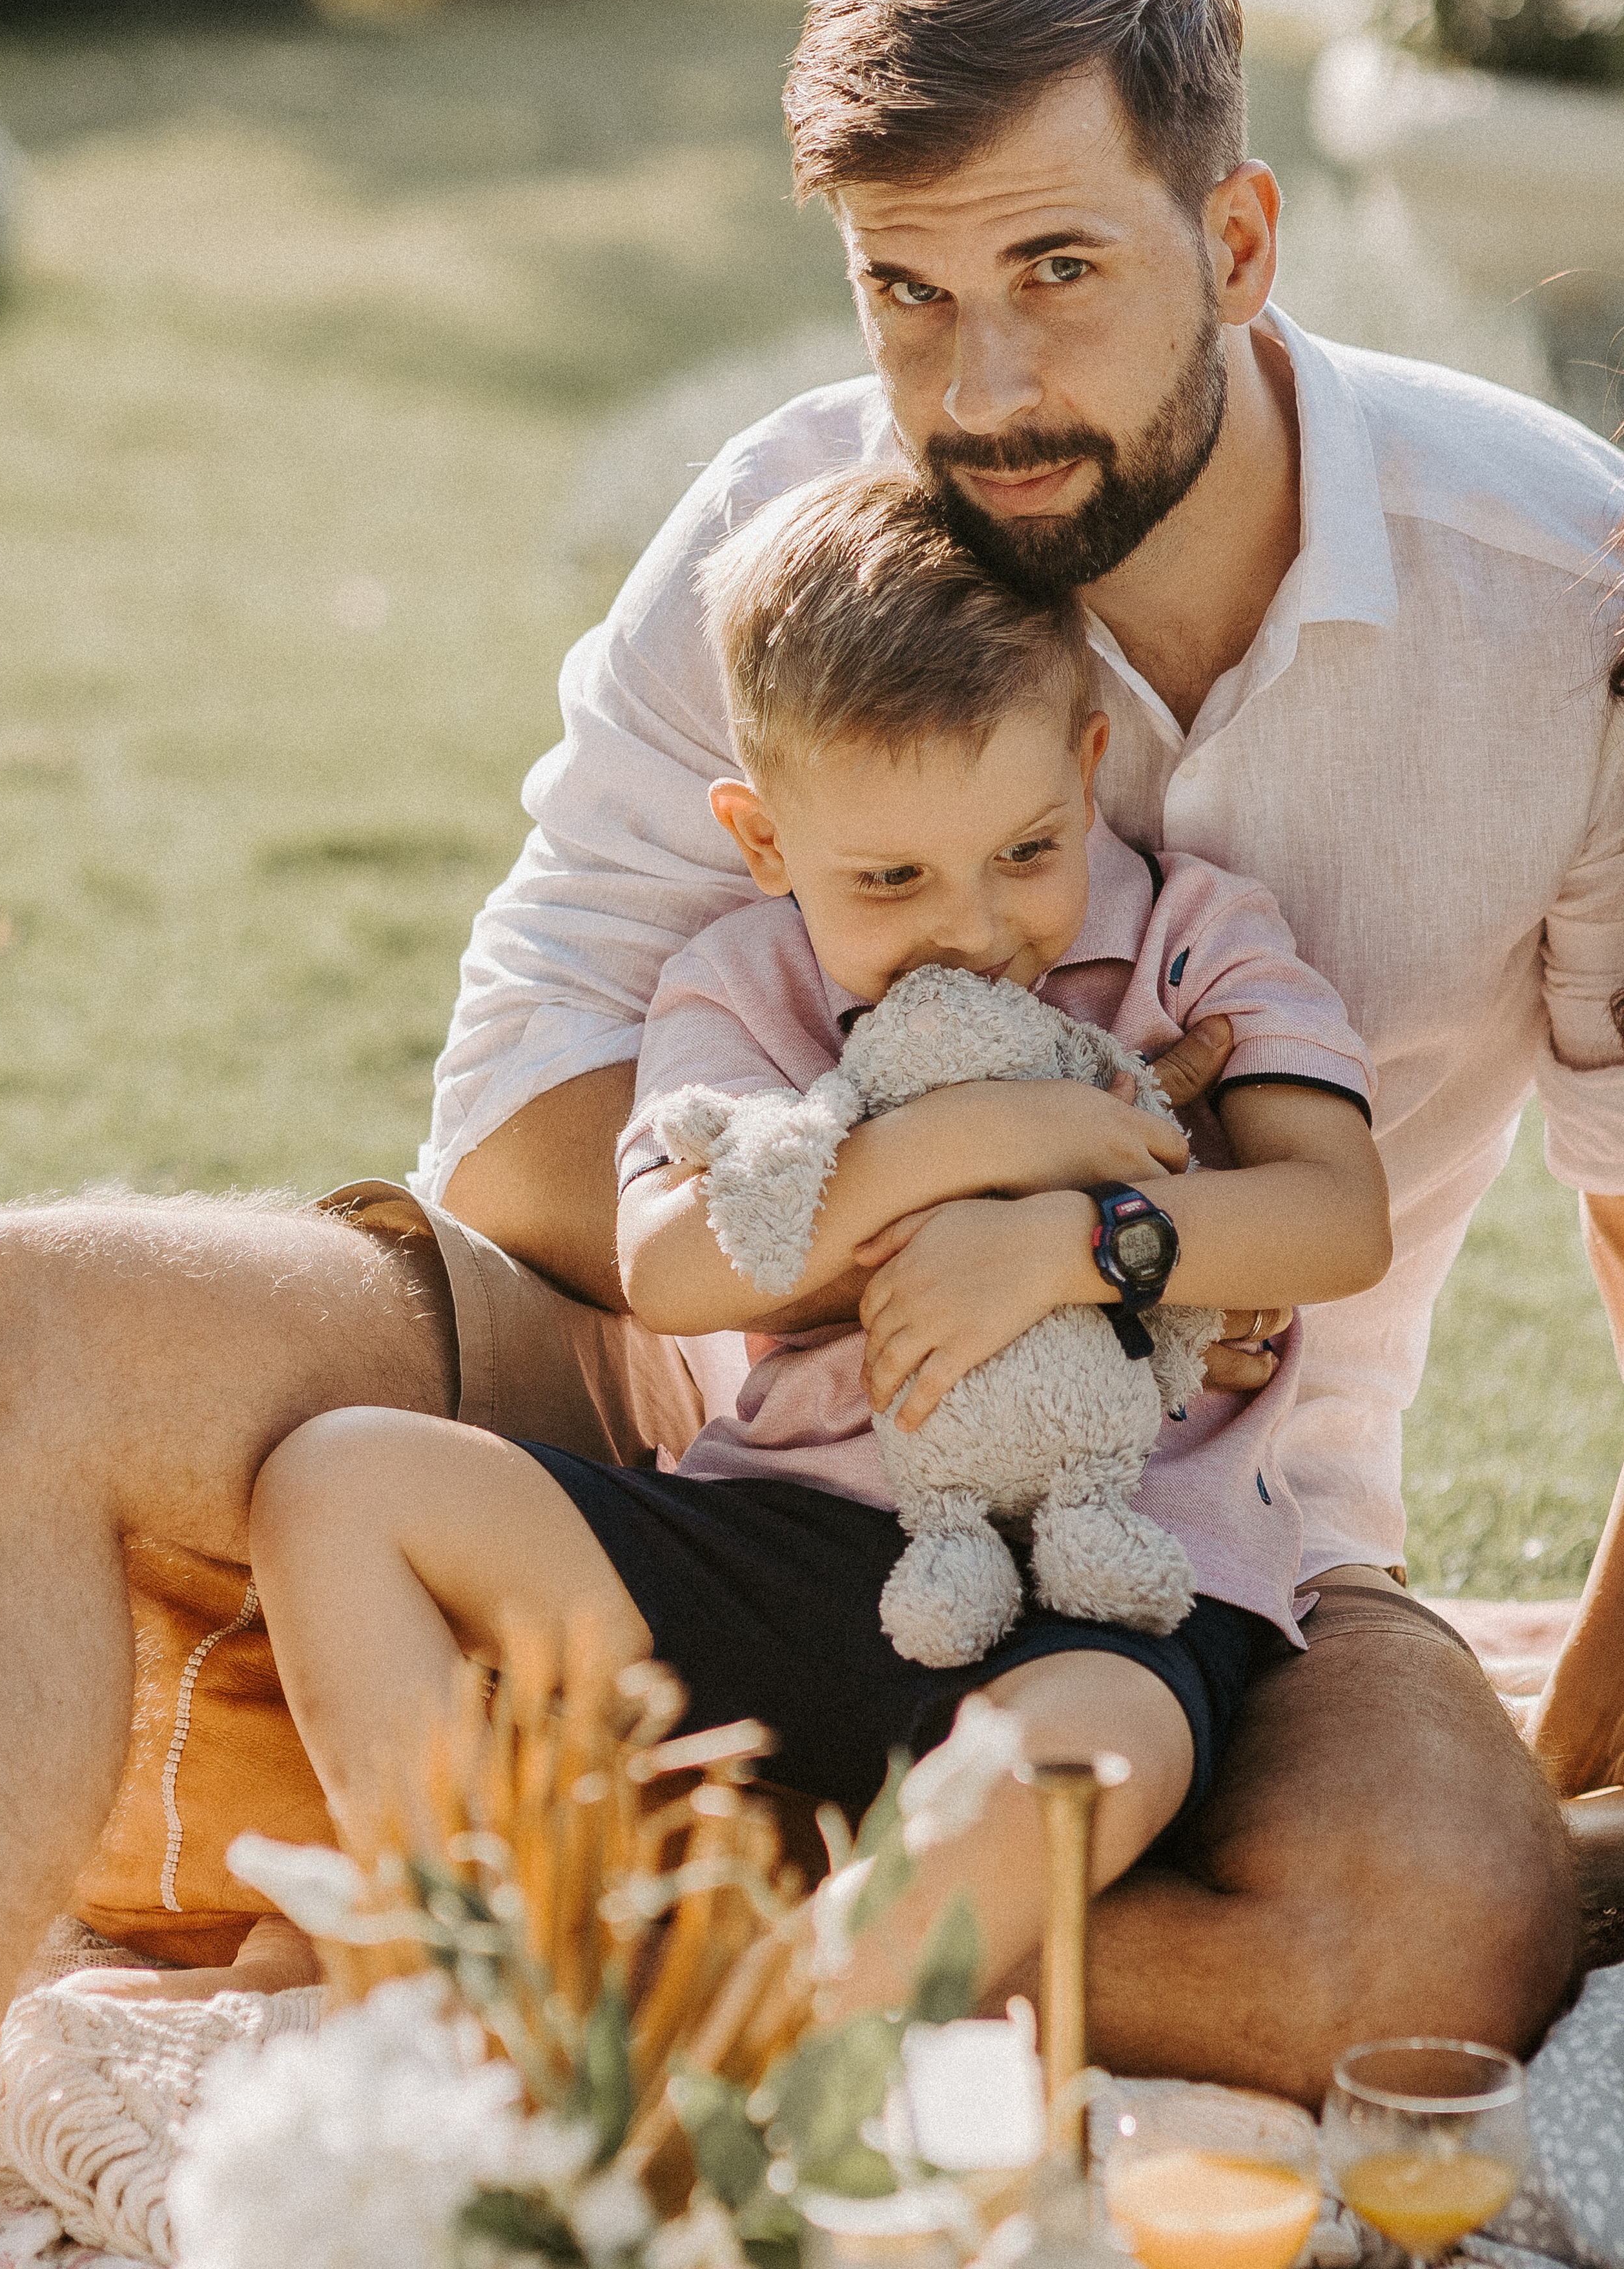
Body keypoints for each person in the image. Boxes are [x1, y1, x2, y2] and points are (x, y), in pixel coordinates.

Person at [0, 0, 1617, 2105]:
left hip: (1215, 1522)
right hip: (687, 1421)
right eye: (905, 294)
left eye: (1060, 271)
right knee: (20, 1329)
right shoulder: (784, 548)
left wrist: (1127, 1252)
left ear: (1239, 242)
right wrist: (928, 1191)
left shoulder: (1561, 603)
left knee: (1428, 1943)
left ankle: (650, 1943)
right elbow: (520, 1132)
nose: (983, 384)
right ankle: (568, 1931)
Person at [246, 470, 1393, 2015]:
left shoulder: (1196, 939)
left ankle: (754, 2047)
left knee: (1076, 1759)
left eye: (1026, 851)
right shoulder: (737, 987)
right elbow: (670, 1265)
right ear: (763, 838)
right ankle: (460, 1983)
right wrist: (959, 1142)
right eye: (887, 879)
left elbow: (1334, 1216)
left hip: (1111, 1574)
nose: (975, 928)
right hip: (790, 1535)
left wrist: (1072, 1241)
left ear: (1088, 758)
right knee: (337, 1480)